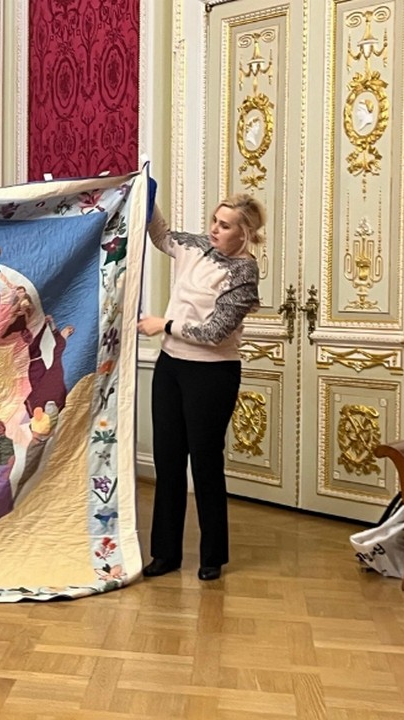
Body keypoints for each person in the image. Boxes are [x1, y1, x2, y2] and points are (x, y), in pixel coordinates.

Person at [137, 192, 265, 582]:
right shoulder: (195, 247)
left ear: (244, 233)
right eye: (214, 220)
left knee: (206, 464)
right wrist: (147, 191)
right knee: (168, 461)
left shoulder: (244, 272)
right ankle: (165, 554)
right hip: (170, 367)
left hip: (211, 375)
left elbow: (215, 332)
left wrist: (164, 325)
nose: (214, 229)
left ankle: (212, 556)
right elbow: (161, 235)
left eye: (225, 225)